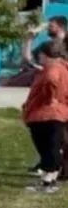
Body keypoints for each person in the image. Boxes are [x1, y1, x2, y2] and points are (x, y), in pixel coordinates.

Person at [21, 40, 68, 193]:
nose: (39, 57)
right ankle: (51, 178)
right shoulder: (63, 67)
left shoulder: (52, 68)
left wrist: (50, 97)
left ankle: (48, 180)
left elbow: (51, 81)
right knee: (53, 147)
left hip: (45, 114)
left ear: (45, 54)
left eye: (40, 55)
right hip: (57, 113)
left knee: (47, 148)